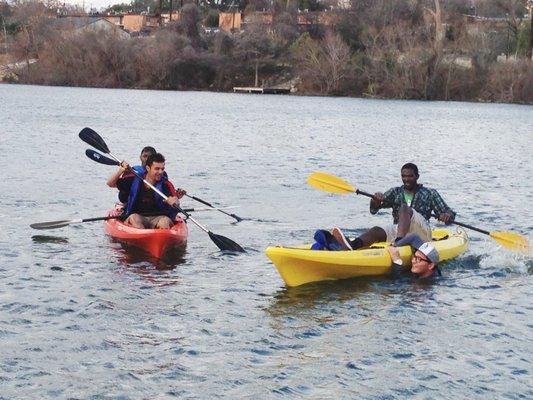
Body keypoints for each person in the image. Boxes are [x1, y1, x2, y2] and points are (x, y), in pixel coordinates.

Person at [329, 163, 456, 251]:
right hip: (399, 229)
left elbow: (449, 212)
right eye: (404, 176)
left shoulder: (430, 193)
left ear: (417, 176)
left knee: (405, 208)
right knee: (376, 230)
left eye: (410, 176)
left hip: (422, 232)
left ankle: (399, 241)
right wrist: (376, 201)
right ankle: (353, 245)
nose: (406, 179)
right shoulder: (395, 192)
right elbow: (374, 210)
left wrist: (447, 215)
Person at [116, 152, 186, 229]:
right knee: (134, 218)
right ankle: (142, 237)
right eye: (157, 169)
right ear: (148, 168)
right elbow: (110, 183)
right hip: (138, 216)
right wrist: (121, 170)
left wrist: (174, 202)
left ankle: (160, 238)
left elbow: (175, 199)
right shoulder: (134, 179)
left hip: (159, 218)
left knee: (165, 222)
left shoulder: (166, 184)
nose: (160, 172)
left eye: (162, 169)